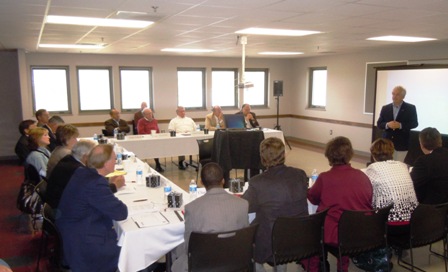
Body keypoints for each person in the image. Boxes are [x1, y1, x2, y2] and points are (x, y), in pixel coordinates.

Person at [56, 144, 128, 272]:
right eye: (114, 159)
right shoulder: (95, 184)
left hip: (72, 234)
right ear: (105, 163)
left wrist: (107, 183)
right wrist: (108, 186)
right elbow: (121, 213)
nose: (116, 162)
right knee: (131, 248)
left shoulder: (82, 172)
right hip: (86, 243)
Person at [242, 137, 308, 272]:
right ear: (283, 154)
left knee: (244, 243)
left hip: (271, 240)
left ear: (262, 157)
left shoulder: (257, 182)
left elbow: (245, 207)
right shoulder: (300, 174)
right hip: (299, 236)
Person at [308, 136, 373, 272]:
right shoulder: (362, 176)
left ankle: (321, 265)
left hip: (336, 235)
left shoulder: (325, 178)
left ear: (329, 156)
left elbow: (313, 199)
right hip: (362, 231)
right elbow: (368, 199)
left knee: (314, 225)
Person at [171, 162, 249, 272]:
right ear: (223, 180)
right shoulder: (243, 204)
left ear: (202, 182)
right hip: (236, 261)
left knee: (174, 253)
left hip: (204, 265)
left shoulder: (192, 208)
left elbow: (189, 247)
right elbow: (244, 238)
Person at [365, 138, 418, 246]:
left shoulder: (372, 168)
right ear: (392, 152)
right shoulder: (403, 166)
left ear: (373, 154)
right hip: (413, 221)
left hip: (389, 224)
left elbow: (366, 193)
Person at [376, 86, 418, 162]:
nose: (394, 97)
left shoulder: (410, 108)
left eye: (397, 94)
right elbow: (379, 124)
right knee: (385, 166)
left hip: (402, 144)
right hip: (386, 144)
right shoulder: (385, 108)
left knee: (398, 166)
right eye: (393, 94)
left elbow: (414, 123)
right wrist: (387, 125)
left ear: (403, 96)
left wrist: (400, 125)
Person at [411, 127, 448, 204]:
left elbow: (411, 183)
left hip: (431, 207)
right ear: (440, 141)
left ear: (421, 144)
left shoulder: (423, 162)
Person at [137, 108, 164, 172]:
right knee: (154, 147)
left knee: (157, 146)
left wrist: (157, 136)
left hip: (154, 139)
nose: (150, 115)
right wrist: (149, 136)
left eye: (151, 113)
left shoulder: (154, 120)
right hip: (145, 139)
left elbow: (157, 130)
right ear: (144, 115)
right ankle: (157, 164)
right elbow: (140, 132)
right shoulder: (141, 121)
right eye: (148, 113)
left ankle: (158, 164)